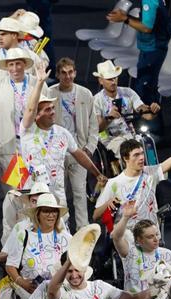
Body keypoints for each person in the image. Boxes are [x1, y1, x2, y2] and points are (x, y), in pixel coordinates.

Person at [17, 61, 106, 216]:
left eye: (52, 108)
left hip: (58, 196)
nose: (52, 112)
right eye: (47, 109)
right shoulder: (27, 130)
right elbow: (30, 109)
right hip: (34, 194)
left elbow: (79, 155)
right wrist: (39, 82)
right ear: (37, 115)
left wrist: (97, 173)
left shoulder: (62, 133)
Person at [93, 124, 171, 230]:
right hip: (128, 238)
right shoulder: (114, 184)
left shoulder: (151, 173)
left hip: (151, 235)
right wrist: (110, 202)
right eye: (136, 155)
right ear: (125, 158)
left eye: (142, 154)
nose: (141, 158)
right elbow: (96, 215)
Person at [4, 193, 71, 299]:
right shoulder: (25, 235)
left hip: (59, 295)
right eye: (47, 211)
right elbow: (10, 265)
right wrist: (21, 282)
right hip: (32, 294)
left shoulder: (66, 238)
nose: (51, 215)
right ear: (38, 214)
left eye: (54, 212)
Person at [0, 47, 47, 189]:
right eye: (11, 64)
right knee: (13, 192)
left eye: (18, 63)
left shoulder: (38, 83)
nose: (15, 68)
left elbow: (50, 115)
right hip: (8, 147)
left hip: (34, 146)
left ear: (25, 65)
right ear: (7, 67)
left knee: (36, 190)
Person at [49, 58, 99, 229]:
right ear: (57, 75)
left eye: (70, 72)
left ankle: (83, 231)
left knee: (80, 194)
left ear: (75, 73)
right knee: (58, 195)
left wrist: (90, 148)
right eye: (63, 73)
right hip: (57, 154)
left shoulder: (85, 94)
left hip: (79, 152)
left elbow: (93, 124)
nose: (67, 76)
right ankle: (61, 230)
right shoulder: (49, 94)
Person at [0, 17, 40, 131]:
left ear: (14, 35)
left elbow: (39, 90)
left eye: (4, 34)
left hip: (29, 122)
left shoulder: (33, 58)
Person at [91, 60, 159, 163]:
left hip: (129, 134)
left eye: (115, 77)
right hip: (110, 138)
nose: (113, 81)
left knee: (148, 143)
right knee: (128, 150)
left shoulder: (128, 92)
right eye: (109, 79)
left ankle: (152, 171)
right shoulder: (96, 100)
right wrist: (110, 117)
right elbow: (97, 128)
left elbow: (146, 113)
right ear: (101, 80)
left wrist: (153, 110)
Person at [106, 0, 171, 104]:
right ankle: (145, 115)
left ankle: (146, 117)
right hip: (151, 48)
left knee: (144, 90)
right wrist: (126, 17)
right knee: (146, 86)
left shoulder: (149, 1)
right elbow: (149, 21)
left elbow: (147, 28)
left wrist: (125, 18)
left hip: (153, 49)